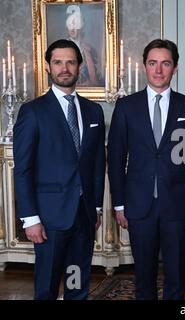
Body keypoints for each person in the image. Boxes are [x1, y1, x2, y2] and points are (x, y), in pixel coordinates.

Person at [107, 39, 185, 300]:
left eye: (165, 63)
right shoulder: (126, 107)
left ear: (175, 68)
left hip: (177, 205)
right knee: (143, 277)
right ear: (144, 66)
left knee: (175, 277)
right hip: (138, 205)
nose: (159, 70)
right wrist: (119, 204)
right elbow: (116, 158)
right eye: (153, 63)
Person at [13, 39, 105, 300]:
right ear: (48, 68)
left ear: (80, 67)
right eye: (58, 62)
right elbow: (23, 169)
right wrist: (30, 218)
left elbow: (97, 164)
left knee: (77, 280)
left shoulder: (93, 112)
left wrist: (96, 207)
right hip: (49, 218)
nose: (64, 68)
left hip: (83, 216)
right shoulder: (33, 112)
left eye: (70, 62)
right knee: (48, 285)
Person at [66, 4, 99, 86]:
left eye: (76, 27)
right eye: (70, 27)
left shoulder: (89, 49)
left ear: (81, 29)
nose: (73, 30)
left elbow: (94, 74)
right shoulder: (62, 49)